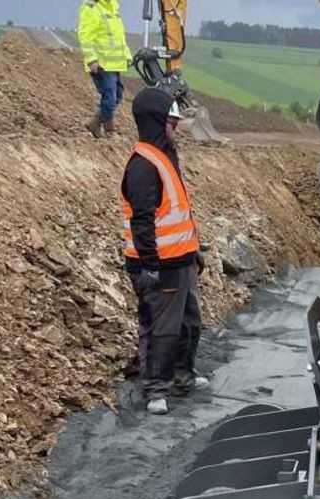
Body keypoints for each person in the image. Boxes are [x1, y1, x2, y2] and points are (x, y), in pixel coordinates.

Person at [121, 88, 208, 415]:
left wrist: (194, 251)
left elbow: (178, 212)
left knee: (189, 324)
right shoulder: (143, 166)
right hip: (160, 265)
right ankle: (156, 389)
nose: (177, 129)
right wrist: (149, 267)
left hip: (181, 260)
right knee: (162, 329)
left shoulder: (165, 157)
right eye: (172, 122)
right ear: (157, 122)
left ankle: (183, 376)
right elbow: (143, 221)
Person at [77, 0, 132, 138]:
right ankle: (104, 127)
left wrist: (126, 55)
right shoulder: (91, 8)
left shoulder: (112, 6)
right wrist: (91, 59)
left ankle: (100, 124)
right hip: (101, 63)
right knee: (110, 98)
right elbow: (85, 36)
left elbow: (118, 36)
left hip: (114, 63)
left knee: (117, 95)